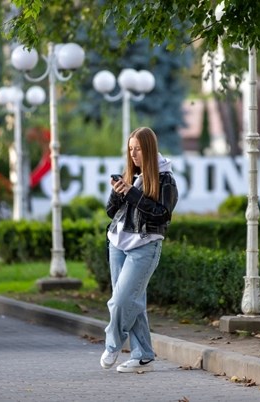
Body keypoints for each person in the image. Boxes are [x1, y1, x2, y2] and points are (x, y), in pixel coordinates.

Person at [100, 127, 178, 373]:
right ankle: (143, 354)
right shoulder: (131, 174)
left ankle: (112, 344)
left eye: (138, 149)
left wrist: (133, 193)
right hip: (117, 244)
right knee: (134, 301)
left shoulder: (165, 179)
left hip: (145, 246)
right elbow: (111, 213)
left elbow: (162, 215)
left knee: (122, 301)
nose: (133, 154)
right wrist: (117, 192)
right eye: (130, 149)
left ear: (149, 149)